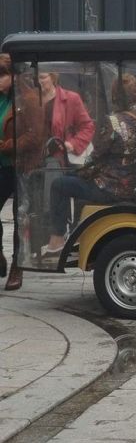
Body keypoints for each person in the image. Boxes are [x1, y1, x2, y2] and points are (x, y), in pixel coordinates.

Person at [41, 74, 136, 259]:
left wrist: (79, 171)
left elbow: (96, 158)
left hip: (111, 187)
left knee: (60, 185)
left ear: (115, 96)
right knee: (77, 185)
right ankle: (77, 235)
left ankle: (57, 239)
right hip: (133, 186)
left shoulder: (113, 122)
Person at [1, 58, 44, 290]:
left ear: (13, 76)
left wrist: (6, 146)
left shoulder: (27, 99)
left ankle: (18, 266)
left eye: (1, 75)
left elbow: (36, 136)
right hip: (2, 167)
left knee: (20, 215)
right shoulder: (0, 99)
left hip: (21, 165)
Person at [38, 71, 95, 165]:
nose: (38, 81)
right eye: (35, 78)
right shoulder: (30, 100)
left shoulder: (71, 99)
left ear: (53, 77)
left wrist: (73, 144)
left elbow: (88, 127)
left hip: (60, 160)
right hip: (35, 160)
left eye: (42, 77)